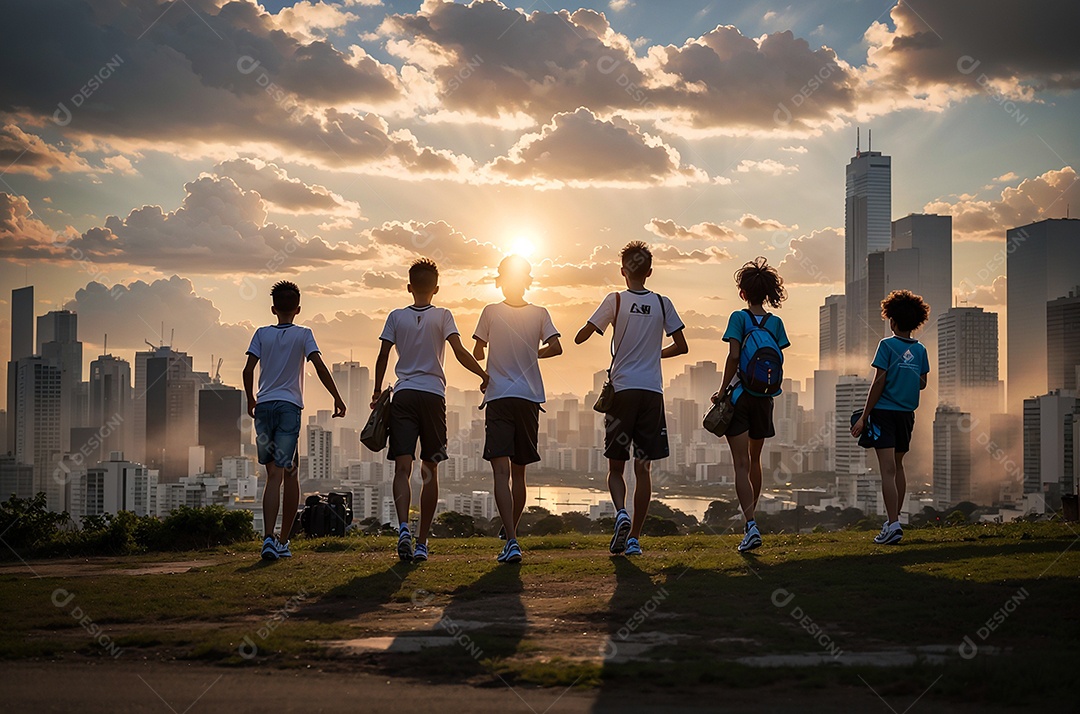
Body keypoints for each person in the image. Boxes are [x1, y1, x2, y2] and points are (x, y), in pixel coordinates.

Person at [372, 258, 489, 562]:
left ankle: (402, 529)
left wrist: (375, 392)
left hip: (405, 395)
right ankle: (422, 542)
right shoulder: (444, 316)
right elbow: (460, 351)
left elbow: (383, 355)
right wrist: (483, 375)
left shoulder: (396, 317)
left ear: (409, 287)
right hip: (433, 396)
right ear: (436, 288)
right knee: (430, 469)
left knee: (401, 467)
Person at [575, 241, 687, 556]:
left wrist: (596, 328)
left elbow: (581, 336)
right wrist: (654, 353)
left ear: (623, 271)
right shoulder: (664, 304)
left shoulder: (615, 300)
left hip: (622, 392)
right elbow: (682, 345)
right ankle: (635, 538)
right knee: (643, 468)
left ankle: (620, 513)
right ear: (649, 272)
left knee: (615, 466)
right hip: (652, 392)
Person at [243, 280, 346, 561]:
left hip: (264, 407)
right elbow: (320, 366)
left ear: (273, 308)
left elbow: (247, 369)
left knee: (272, 475)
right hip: (289, 408)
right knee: (289, 474)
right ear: (298, 309)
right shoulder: (304, 334)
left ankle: (267, 539)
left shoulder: (261, 334)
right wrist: (337, 397)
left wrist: (251, 399)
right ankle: (283, 541)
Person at [472, 255, 562, 564]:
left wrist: (486, 374)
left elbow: (477, 349)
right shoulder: (540, 313)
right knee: (519, 472)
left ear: (500, 279)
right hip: (528, 397)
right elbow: (557, 347)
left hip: (499, 396)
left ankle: (510, 539)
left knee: (500, 471)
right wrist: (532, 353)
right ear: (527, 279)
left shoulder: (490, 312)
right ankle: (512, 535)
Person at [713, 257, 790, 553]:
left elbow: (734, 356)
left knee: (740, 464)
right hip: (765, 399)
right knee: (755, 462)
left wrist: (722, 392)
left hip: (740, 397)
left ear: (743, 293)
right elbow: (778, 359)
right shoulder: (776, 323)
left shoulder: (739, 318)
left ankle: (751, 524)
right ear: (768, 293)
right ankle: (752, 522)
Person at [851, 289, 931, 546]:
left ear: (892, 321)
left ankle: (893, 524)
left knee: (886, 471)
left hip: (884, 413)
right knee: (897, 468)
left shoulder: (886, 345)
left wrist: (864, 417)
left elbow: (878, 384)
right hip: (907, 416)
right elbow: (922, 384)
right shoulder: (920, 350)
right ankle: (894, 521)